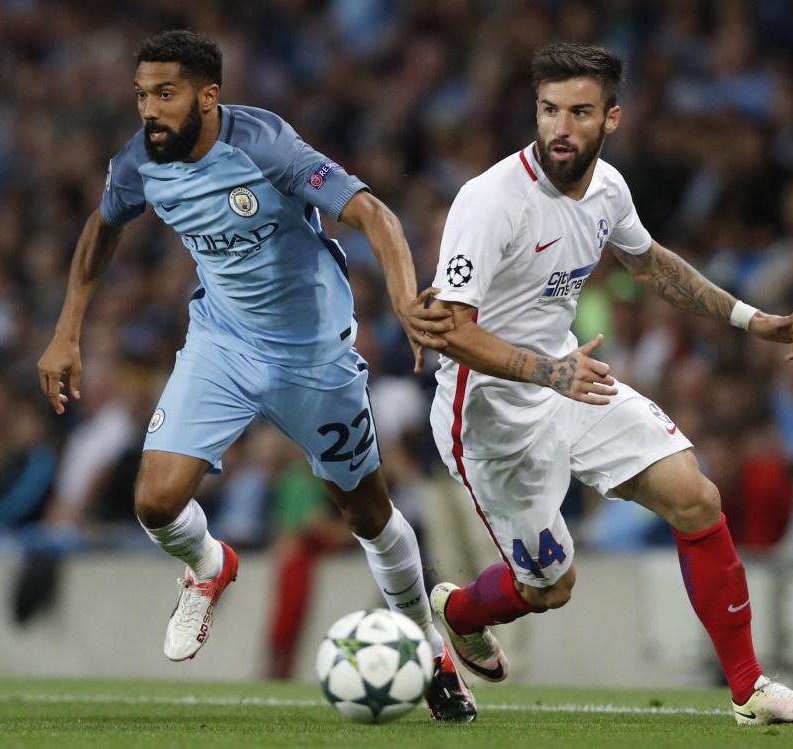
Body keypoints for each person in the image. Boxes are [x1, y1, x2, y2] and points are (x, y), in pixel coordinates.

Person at [36, 30, 473, 721]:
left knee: (367, 512)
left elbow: (375, 215)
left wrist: (401, 300)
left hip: (314, 358)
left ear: (209, 97)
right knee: (153, 501)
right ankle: (210, 565)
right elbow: (101, 228)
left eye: (166, 94)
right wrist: (66, 332)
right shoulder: (139, 163)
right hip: (223, 346)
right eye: (142, 95)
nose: (150, 110)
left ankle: (431, 648)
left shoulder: (265, 146)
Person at [423, 42, 793, 726]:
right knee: (550, 587)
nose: (560, 127)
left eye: (579, 112)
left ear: (611, 118)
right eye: (548, 110)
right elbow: (451, 332)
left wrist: (746, 315)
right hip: (489, 417)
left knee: (695, 495)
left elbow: (650, 265)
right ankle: (459, 610)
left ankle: (750, 689)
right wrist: (550, 370)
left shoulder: (609, 190)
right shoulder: (488, 200)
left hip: (571, 378)